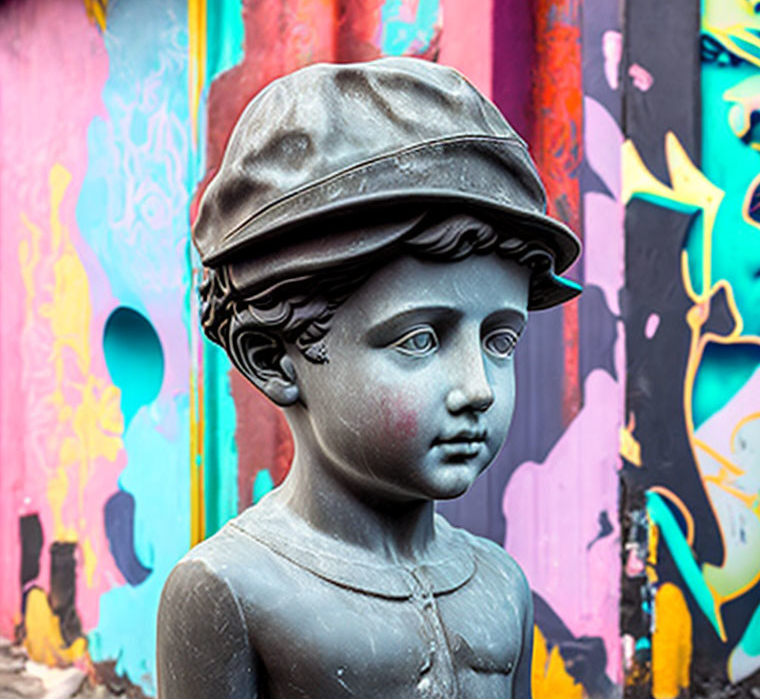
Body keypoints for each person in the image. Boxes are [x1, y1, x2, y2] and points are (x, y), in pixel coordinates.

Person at [156, 57, 581, 699]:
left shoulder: (500, 584)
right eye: (419, 339)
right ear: (274, 359)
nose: (479, 388)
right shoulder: (230, 590)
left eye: (500, 340)